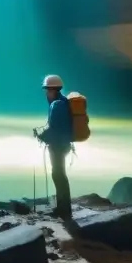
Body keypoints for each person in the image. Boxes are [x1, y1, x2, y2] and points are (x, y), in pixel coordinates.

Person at [34, 74, 73, 220]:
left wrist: (41, 136)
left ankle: (63, 209)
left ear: (53, 90)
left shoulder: (57, 106)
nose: (46, 93)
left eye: (47, 90)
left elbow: (54, 128)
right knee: (59, 174)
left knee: (58, 175)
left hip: (58, 145)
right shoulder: (62, 102)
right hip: (63, 144)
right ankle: (63, 207)